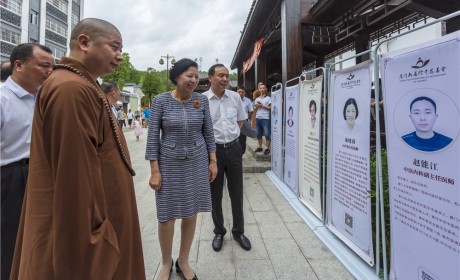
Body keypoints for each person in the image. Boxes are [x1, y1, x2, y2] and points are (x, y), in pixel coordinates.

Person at [10, 18, 146, 279]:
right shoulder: (71, 88)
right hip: (91, 232)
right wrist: (92, 242)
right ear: (84, 42)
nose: (119, 57)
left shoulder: (82, 83)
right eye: (114, 47)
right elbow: (74, 179)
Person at [146, 58, 217, 280]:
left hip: (196, 162)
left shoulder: (201, 101)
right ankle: (166, 262)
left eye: (196, 76)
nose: (194, 80)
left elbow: (209, 133)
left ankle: (183, 260)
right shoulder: (160, 101)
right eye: (189, 75)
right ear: (176, 77)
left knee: (191, 213)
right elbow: (152, 138)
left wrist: (212, 160)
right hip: (168, 164)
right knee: (166, 216)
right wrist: (155, 170)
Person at [0, 43, 54, 280]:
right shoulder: (3, 100)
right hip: (9, 179)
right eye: (44, 65)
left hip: (39, 174)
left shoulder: (43, 99)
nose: (49, 72)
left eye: (52, 66)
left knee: (38, 239)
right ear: (19, 65)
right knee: (8, 242)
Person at [204, 64, 252, 253]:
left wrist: (230, 137)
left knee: (236, 192)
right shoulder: (202, 101)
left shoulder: (235, 98)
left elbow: (240, 121)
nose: (225, 79)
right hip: (213, 152)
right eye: (220, 75)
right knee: (215, 193)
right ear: (210, 78)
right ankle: (219, 231)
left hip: (233, 149)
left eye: (227, 75)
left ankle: (238, 231)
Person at [254, 82, 271, 155]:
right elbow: (254, 108)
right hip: (258, 118)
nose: (262, 89)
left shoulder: (269, 98)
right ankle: (260, 147)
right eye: (260, 88)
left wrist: (262, 105)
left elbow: (270, 108)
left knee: (267, 134)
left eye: (264, 88)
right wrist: (257, 106)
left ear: (266, 89)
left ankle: (267, 148)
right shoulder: (256, 99)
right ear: (258, 89)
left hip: (265, 118)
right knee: (258, 134)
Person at [237, 85, 254, 154]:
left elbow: (251, 111)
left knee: (242, 138)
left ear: (245, 93)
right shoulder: (232, 99)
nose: (241, 93)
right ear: (237, 91)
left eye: (242, 92)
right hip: (234, 121)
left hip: (244, 121)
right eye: (239, 92)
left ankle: (241, 152)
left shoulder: (248, 101)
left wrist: (245, 117)